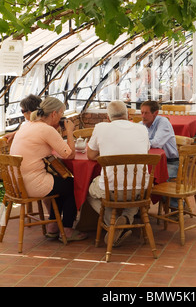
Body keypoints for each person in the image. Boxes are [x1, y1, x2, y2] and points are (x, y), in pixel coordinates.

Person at [9, 97, 87, 242]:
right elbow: (69, 154)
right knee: (72, 184)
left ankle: (53, 226)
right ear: (54, 114)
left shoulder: (27, 125)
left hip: (16, 184)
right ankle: (68, 230)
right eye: (62, 113)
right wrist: (69, 131)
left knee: (60, 183)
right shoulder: (45, 129)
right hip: (32, 184)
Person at [87, 100, 150, 247]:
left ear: (108, 118)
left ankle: (113, 225)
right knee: (136, 190)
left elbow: (90, 155)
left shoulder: (101, 127)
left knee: (90, 192)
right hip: (139, 188)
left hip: (112, 190)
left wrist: (107, 156)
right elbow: (145, 153)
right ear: (128, 115)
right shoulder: (141, 129)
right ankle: (126, 219)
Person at [140, 100, 179, 208]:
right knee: (138, 178)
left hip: (170, 162)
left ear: (155, 113)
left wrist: (141, 142)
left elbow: (156, 143)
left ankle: (175, 206)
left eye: (146, 113)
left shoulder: (163, 122)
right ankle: (139, 209)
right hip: (152, 162)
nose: (143, 116)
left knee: (160, 181)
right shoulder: (142, 125)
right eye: (141, 112)